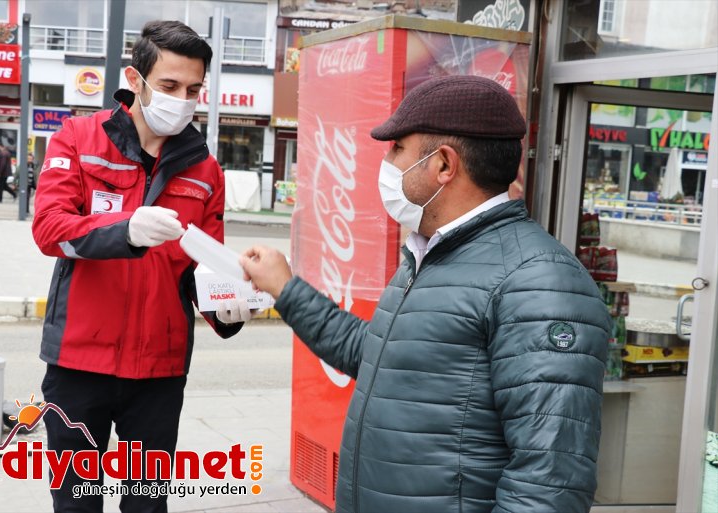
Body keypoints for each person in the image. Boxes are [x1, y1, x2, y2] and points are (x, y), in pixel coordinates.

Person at [240, 76, 611, 513]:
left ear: (444, 165)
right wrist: (285, 289)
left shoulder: (540, 281)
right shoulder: (430, 254)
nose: (387, 161)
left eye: (397, 149)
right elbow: (375, 354)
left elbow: (549, 483)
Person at [32, 20, 251, 513]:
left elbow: (206, 266)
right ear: (136, 79)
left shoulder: (205, 170)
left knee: (147, 505)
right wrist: (125, 231)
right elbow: (49, 230)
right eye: (170, 86)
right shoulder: (78, 139)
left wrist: (228, 308)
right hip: (78, 364)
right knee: (76, 502)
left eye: (194, 89)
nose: (183, 98)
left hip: (159, 369)